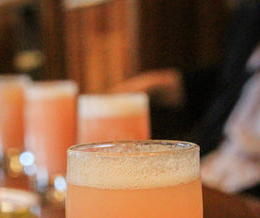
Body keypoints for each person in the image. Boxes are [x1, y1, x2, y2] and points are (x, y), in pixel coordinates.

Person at [110, 0, 260, 196]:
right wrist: (157, 83)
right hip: (213, 163)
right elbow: (227, 80)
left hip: (246, 193)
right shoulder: (250, 14)